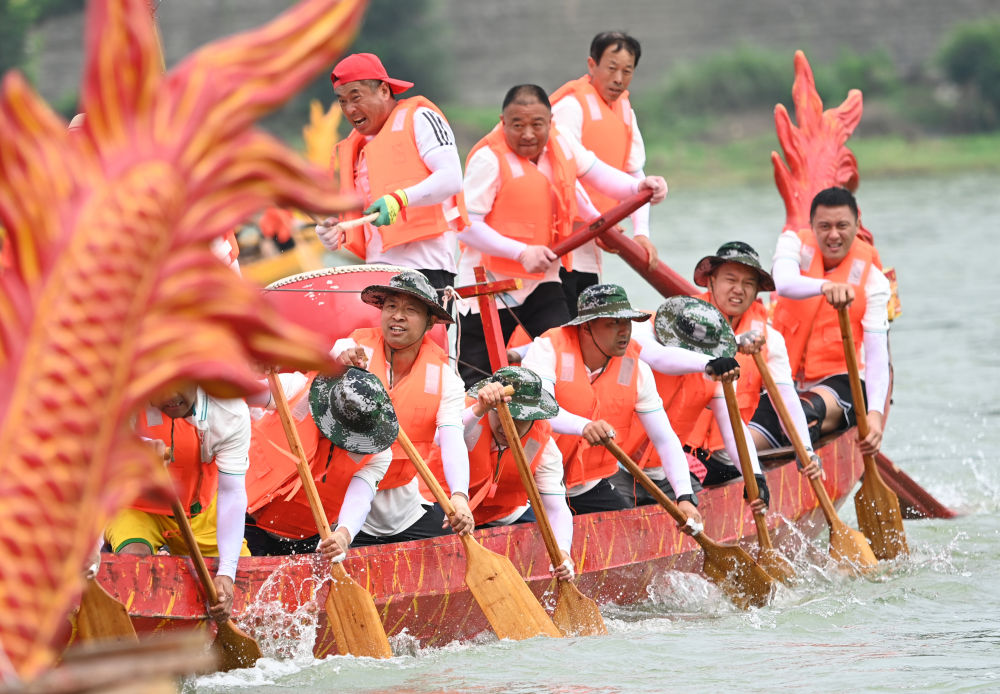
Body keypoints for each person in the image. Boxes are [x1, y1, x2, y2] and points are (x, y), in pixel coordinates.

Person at [457, 84, 668, 385]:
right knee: (477, 379)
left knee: (565, 358)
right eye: (517, 125)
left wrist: (640, 188)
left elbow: (601, 175)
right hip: (488, 285)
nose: (528, 134)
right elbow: (466, 227)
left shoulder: (562, 143)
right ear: (503, 122)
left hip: (542, 280)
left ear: (551, 122)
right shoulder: (488, 159)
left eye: (537, 124)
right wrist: (521, 252)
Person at [521, 284, 702, 527]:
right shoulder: (547, 349)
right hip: (532, 480)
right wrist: (583, 425)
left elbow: (664, 438)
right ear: (586, 327)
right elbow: (540, 406)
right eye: (612, 323)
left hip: (585, 485)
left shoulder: (636, 368)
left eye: (626, 322)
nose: (624, 332)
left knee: (631, 534)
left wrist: (684, 496)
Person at [333, 270, 475, 544]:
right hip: (339, 502)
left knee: (452, 543)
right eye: (391, 307)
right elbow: (330, 359)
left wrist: (459, 496)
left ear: (430, 322)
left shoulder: (446, 378)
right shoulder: (350, 348)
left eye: (410, 310)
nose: (397, 316)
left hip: (404, 505)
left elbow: (452, 439)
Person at [314, 53, 465, 290]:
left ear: (384, 90)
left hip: (426, 270)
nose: (350, 109)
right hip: (376, 272)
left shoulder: (420, 117)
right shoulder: (356, 147)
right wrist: (331, 233)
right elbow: (355, 218)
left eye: (356, 97)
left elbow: (452, 178)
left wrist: (400, 198)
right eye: (342, 101)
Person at [104, 385, 251, 622]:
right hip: (135, 507)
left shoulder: (229, 410)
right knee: (134, 566)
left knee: (244, 579)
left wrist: (227, 573)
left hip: (198, 515)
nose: (171, 395)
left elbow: (231, 492)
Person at [762, 186, 891, 456]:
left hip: (841, 382)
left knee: (805, 412)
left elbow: (878, 353)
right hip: (785, 379)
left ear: (857, 224)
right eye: (824, 226)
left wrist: (876, 415)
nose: (833, 235)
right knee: (740, 431)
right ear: (811, 226)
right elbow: (783, 283)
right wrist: (825, 286)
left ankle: (801, 443)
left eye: (842, 225)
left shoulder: (874, 280)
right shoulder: (793, 242)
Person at [685, 242, 822, 483]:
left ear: (757, 292)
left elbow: (785, 399)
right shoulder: (683, 323)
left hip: (728, 453)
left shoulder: (769, 339)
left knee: (760, 495)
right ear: (711, 281)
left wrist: (806, 450)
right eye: (730, 280)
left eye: (748, 284)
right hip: (679, 449)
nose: (739, 289)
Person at [620, 295, 770, 512]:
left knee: (700, 513)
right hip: (614, 468)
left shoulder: (716, 374)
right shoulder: (640, 330)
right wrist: (709, 363)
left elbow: (733, 430)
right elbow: (659, 358)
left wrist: (755, 476)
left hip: (662, 471)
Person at [550, 31, 659, 312]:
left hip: (595, 242)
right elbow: (564, 171)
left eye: (627, 71)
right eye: (611, 69)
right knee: (560, 324)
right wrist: (598, 222)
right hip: (559, 244)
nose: (619, 79)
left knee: (588, 322)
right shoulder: (570, 106)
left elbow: (636, 173)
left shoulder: (625, 111)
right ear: (592, 65)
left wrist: (641, 233)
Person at [438, 367, 576, 580]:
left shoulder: (545, 446)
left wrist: (563, 553)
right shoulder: (467, 415)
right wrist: (479, 409)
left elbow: (556, 509)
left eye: (520, 417)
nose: (507, 424)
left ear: (534, 417)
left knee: (544, 541)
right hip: (448, 507)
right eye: (501, 413)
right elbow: (441, 438)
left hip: (503, 513)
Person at [245, 368, 395, 560]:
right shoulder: (294, 389)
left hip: (308, 537)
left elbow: (360, 497)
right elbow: (237, 392)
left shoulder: (379, 453)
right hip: (247, 519)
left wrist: (343, 534)